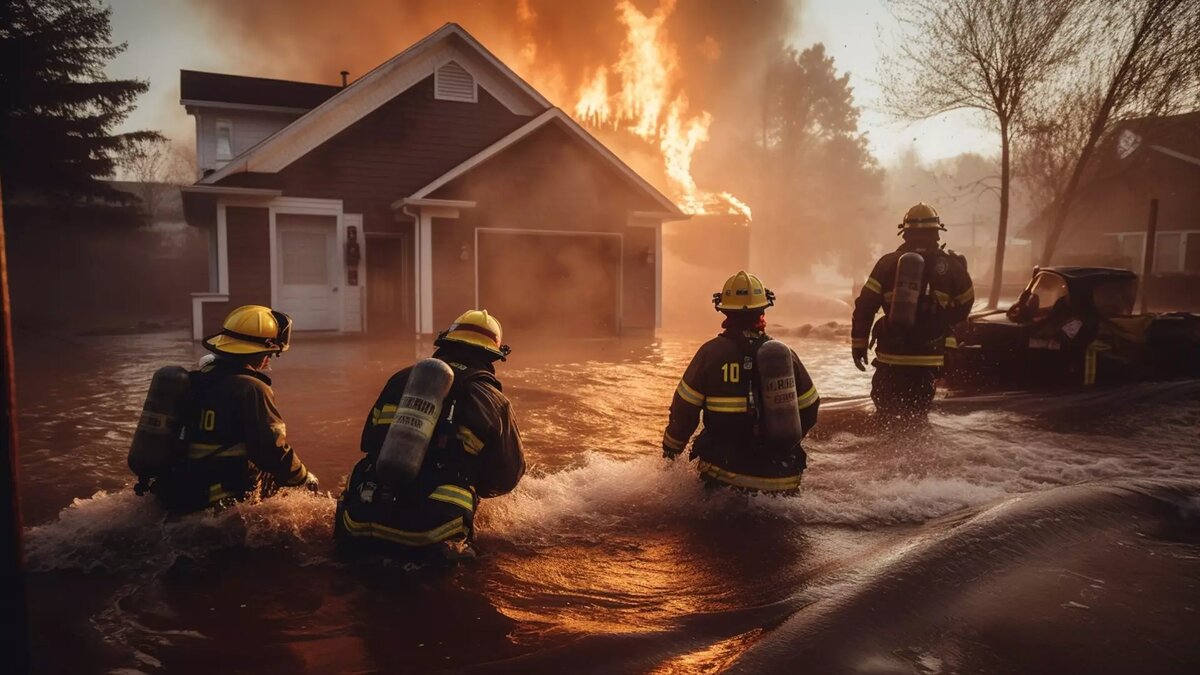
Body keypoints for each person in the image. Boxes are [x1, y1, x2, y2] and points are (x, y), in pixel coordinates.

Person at [334, 309, 525, 560]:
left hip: (357, 523)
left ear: (445, 343)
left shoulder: (400, 380)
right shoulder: (495, 401)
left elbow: (369, 440)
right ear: (492, 356)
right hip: (429, 537)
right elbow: (506, 478)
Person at [662, 271, 819, 493]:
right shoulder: (785, 355)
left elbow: (684, 411)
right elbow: (810, 408)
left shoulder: (710, 353)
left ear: (724, 310)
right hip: (782, 480)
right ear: (763, 309)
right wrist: (780, 439)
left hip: (725, 478)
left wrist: (670, 454)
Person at [150, 305, 318, 513]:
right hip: (218, 500)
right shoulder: (252, 388)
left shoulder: (194, 380)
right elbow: (270, 450)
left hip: (176, 489)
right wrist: (303, 478)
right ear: (261, 352)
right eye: (270, 353)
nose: (268, 360)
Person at [851, 203, 974, 418]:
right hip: (928, 360)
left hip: (891, 356)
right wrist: (941, 326)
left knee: (885, 418)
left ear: (905, 232)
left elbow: (865, 306)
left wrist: (859, 345)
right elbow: (965, 307)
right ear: (937, 232)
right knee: (917, 420)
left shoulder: (887, 264)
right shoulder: (952, 267)